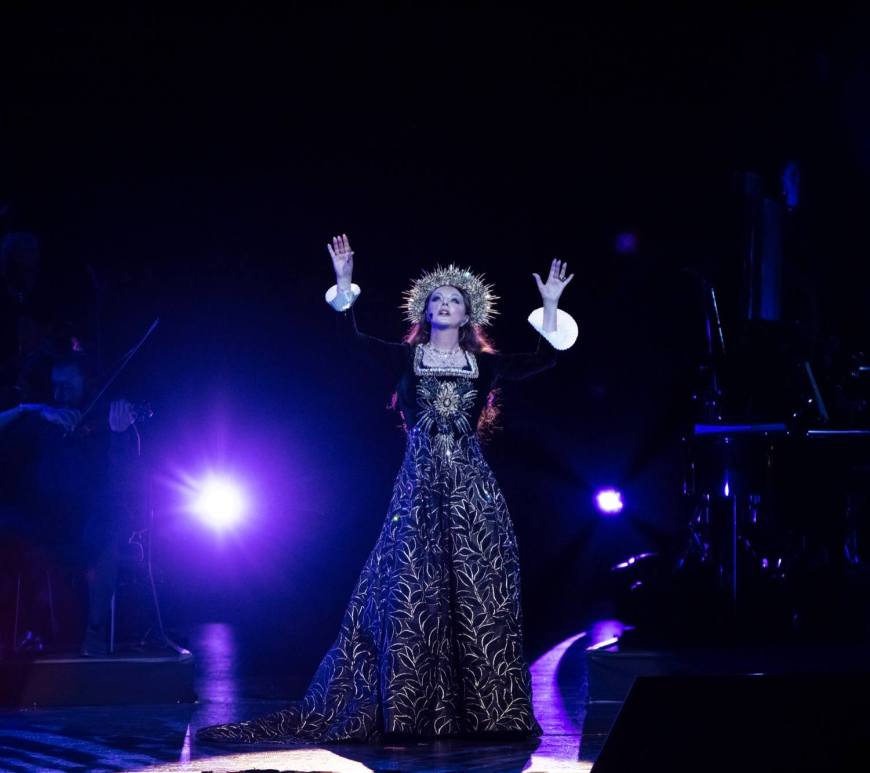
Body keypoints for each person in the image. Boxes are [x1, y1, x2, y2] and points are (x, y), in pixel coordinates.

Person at [197, 234, 577, 744]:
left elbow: (543, 359)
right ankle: (411, 712)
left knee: (479, 593)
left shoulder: (484, 365)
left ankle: (486, 716)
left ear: (467, 314)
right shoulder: (404, 359)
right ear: (426, 311)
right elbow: (349, 340)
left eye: (455, 300)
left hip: (473, 495)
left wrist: (550, 306)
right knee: (410, 592)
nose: (445, 304)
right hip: (418, 491)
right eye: (437, 299)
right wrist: (343, 282)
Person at [0, 351, 142, 655]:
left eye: (67, 386)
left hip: (89, 524)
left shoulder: (104, 423)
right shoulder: (45, 420)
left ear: (87, 384)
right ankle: (18, 632)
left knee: (107, 530)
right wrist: (30, 408)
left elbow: (124, 482)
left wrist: (119, 434)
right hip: (44, 521)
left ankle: (94, 633)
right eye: (55, 386)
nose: (58, 395)